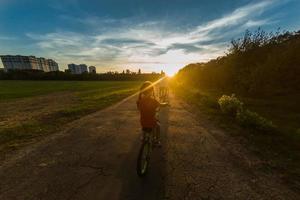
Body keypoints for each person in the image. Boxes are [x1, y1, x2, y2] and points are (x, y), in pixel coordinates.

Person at [137, 81, 168, 146]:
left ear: (142, 91)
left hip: (142, 122)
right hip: (151, 122)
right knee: (158, 126)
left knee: (145, 125)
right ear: (151, 91)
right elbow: (161, 105)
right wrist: (166, 104)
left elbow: (139, 109)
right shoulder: (153, 101)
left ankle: (143, 137)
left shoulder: (139, 101)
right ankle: (157, 140)